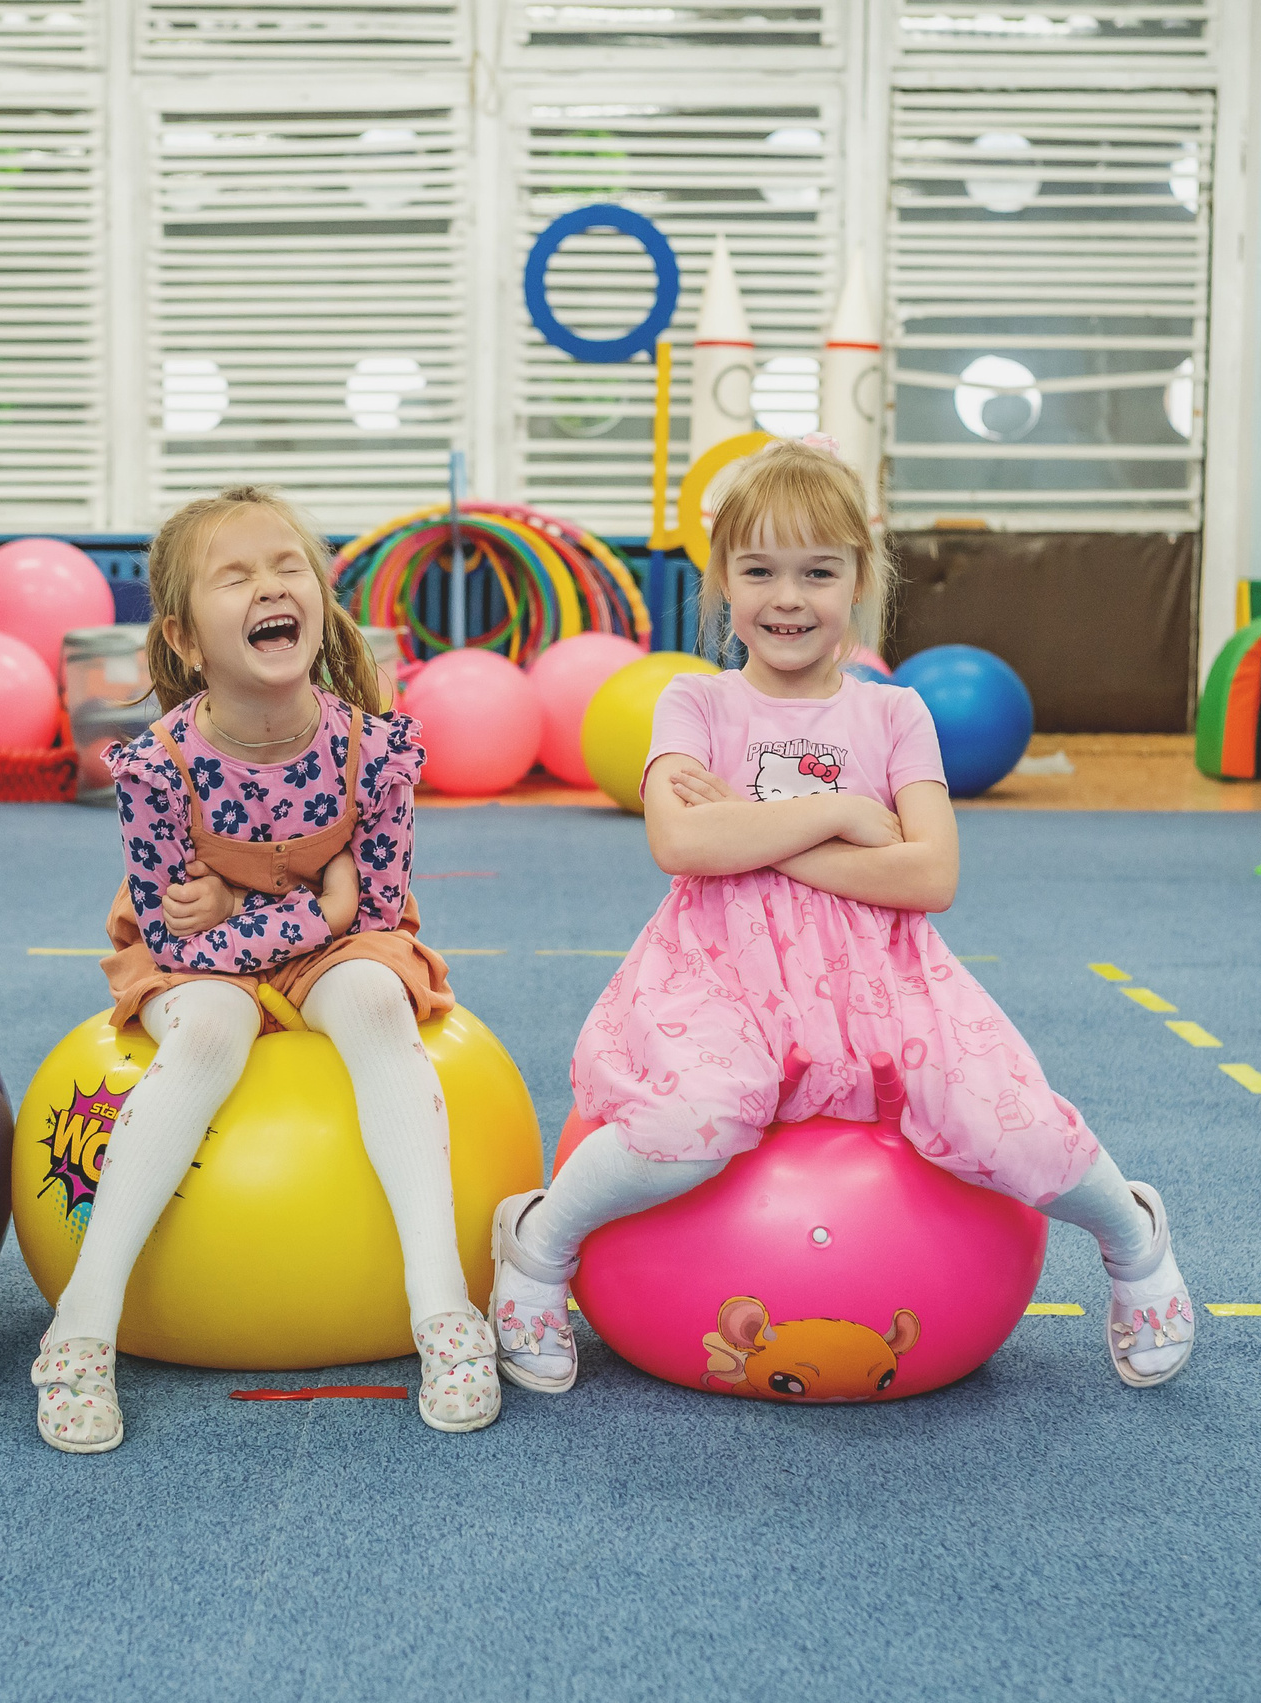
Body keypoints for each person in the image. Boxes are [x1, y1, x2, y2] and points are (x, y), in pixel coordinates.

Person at [488, 440, 1197, 1397]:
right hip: (719, 971)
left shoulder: (896, 715)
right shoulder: (693, 704)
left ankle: (1135, 1236)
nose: (789, 597)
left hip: (881, 978)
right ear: (723, 582)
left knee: (1000, 1120)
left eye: (818, 572)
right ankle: (538, 1247)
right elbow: (682, 847)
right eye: (760, 571)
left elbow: (932, 872)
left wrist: (754, 825)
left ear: (859, 580)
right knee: (698, 1115)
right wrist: (841, 815)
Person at [29, 486, 499, 1453]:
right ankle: (81, 1326)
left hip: (338, 944)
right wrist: (294, 909)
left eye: (288, 567)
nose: (269, 586)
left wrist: (272, 912)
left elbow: (370, 914)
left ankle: (443, 1308)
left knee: (373, 995)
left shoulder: (376, 750)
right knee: (212, 1026)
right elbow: (177, 940)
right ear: (187, 639)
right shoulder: (160, 767)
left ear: (320, 604)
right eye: (233, 575)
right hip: (193, 958)